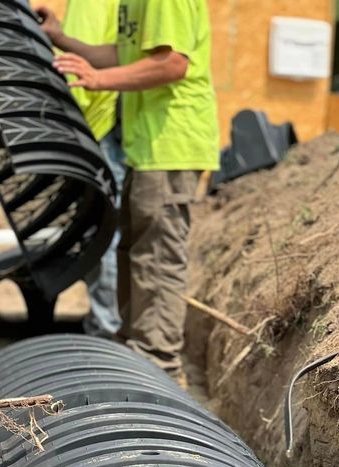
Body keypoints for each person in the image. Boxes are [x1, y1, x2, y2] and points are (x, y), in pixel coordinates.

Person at [37, 0, 219, 383]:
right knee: (133, 252)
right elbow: (124, 55)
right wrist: (62, 39)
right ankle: (134, 352)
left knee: (157, 256)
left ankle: (159, 365)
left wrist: (100, 80)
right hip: (146, 147)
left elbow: (172, 63)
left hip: (172, 144)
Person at [62, 0, 124, 339]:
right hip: (99, 127)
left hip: (96, 128)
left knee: (103, 235)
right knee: (103, 233)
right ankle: (106, 325)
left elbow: (77, 71)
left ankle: (105, 330)